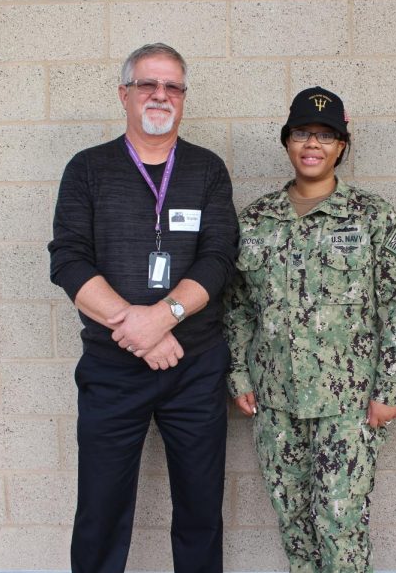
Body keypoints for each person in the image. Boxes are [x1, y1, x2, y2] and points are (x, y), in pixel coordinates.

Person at [48, 43, 237, 573]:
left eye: (172, 86)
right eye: (148, 85)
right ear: (124, 95)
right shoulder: (88, 169)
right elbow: (68, 260)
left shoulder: (207, 170)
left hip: (195, 369)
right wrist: (137, 327)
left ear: (183, 97)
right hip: (112, 369)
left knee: (201, 512)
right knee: (101, 513)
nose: (160, 95)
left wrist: (163, 317)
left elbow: (220, 258)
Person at [225, 86, 396, 572]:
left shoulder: (373, 217)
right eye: (301, 134)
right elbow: (236, 306)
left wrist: (390, 386)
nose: (312, 144)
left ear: (341, 146)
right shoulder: (255, 220)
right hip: (275, 401)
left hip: (349, 405)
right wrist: (239, 374)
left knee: (340, 526)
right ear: (287, 142)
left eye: (325, 135)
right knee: (293, 522)